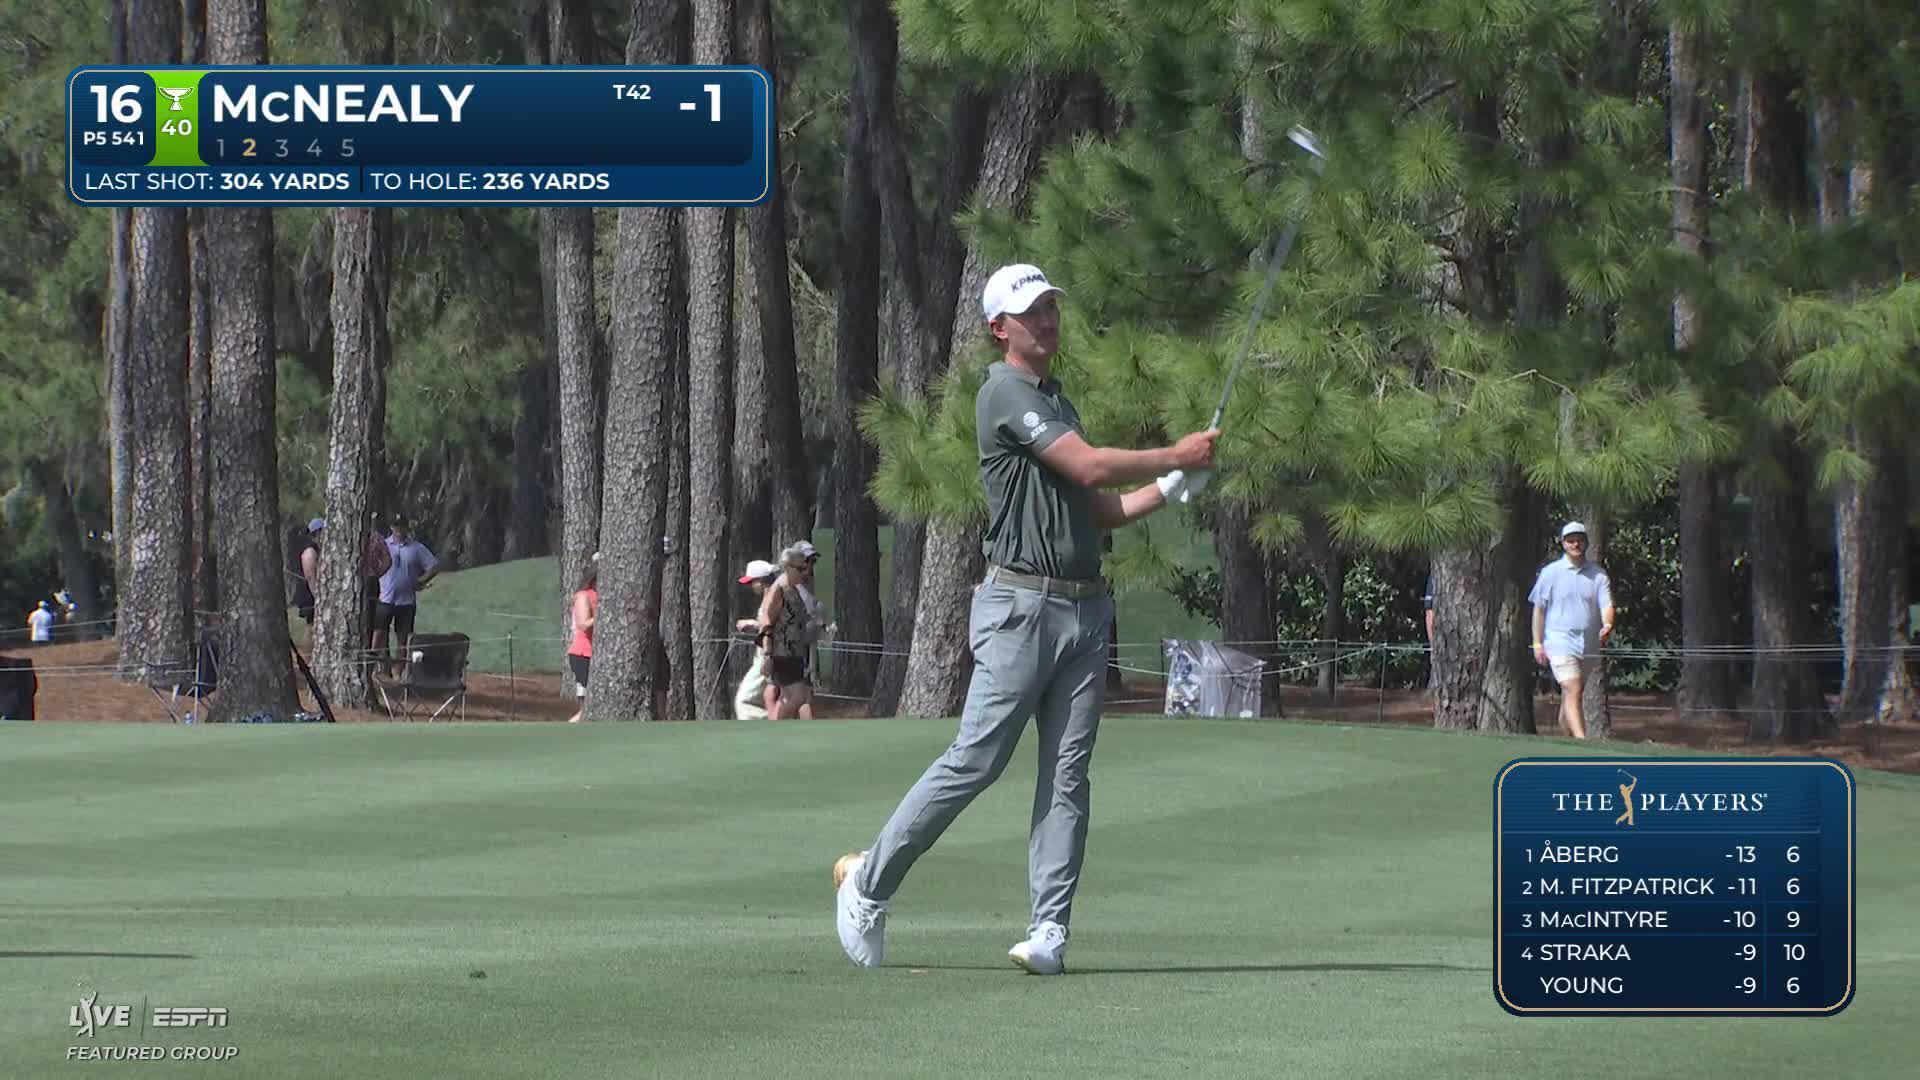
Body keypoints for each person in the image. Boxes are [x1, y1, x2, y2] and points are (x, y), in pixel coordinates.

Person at [833, 262, 1219, 974]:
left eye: (1051, 307)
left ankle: (1049, 931)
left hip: (1082, 607)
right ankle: (868, 885)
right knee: (977, 760)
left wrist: (1168, 487)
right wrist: (1174, 450)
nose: (1046, 319)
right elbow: (1094, 468)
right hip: (1019, 607)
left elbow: (1099, 506)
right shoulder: (1004, 394)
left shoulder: (1056, 401)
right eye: (1030, 310)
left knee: (1068, 775)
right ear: (999, 327)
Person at [1528, 521, 1615, 740]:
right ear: (1563, 543)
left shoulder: (1598, 574)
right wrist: (1537, 643)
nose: (1575, 544)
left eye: (1579, 540)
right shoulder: (1550, 573)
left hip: (1587, 644)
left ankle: (1567, 738)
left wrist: (1607, 625)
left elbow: (1606, 605)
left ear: (1585, 543)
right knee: (1573, 687)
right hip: (1559, 641)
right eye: (1570, 540)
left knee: (1572, 693)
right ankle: (1582, 741)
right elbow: (1539, 610)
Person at [756, 547, 820, 721]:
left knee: (796, 696)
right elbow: (766, 621)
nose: (804, 573)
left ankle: (779, 729)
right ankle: (776, 727)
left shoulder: (794, 589)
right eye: (800, 569)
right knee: (797, 695)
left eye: (805, 568)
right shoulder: (778, 589)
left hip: (795, 652)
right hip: (782, 653)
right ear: (788, 567)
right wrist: (767, 655)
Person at [374, 514, 439, 678]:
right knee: (380, 635)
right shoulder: (383, 545)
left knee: (403, 639)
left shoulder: (416, 548)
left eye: (401, 526)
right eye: (395, 526)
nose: (398, 530)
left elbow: (433, 566)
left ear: (406, 527)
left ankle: (397, 672)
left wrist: (421, 580)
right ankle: (379, 668)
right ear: (391, 527)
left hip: (406, 602)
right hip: (384, 598)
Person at [734, 559, 780, 720]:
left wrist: (751, 624)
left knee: (743, 701)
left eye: (752, 582)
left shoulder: (773, 598)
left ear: (761, 581)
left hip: (767, 656)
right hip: (764, 655)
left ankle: (775, 723)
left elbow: (773, 626)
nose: (751, 586)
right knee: (767, 699)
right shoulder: (772, 597)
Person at [566, 558, 598, 724]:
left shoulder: (597, 596)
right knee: (588, 704)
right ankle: (570, 726)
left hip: (595, 654)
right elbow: (584, 624)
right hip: (582, 653)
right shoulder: (583, 596)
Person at [292, 518, 324, 625]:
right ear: (318, 532)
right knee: (312, 627)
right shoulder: (310, 551)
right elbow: (310, 577)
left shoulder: (318, 548)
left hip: (314, 594)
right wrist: (319, 599)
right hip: (310, 595)